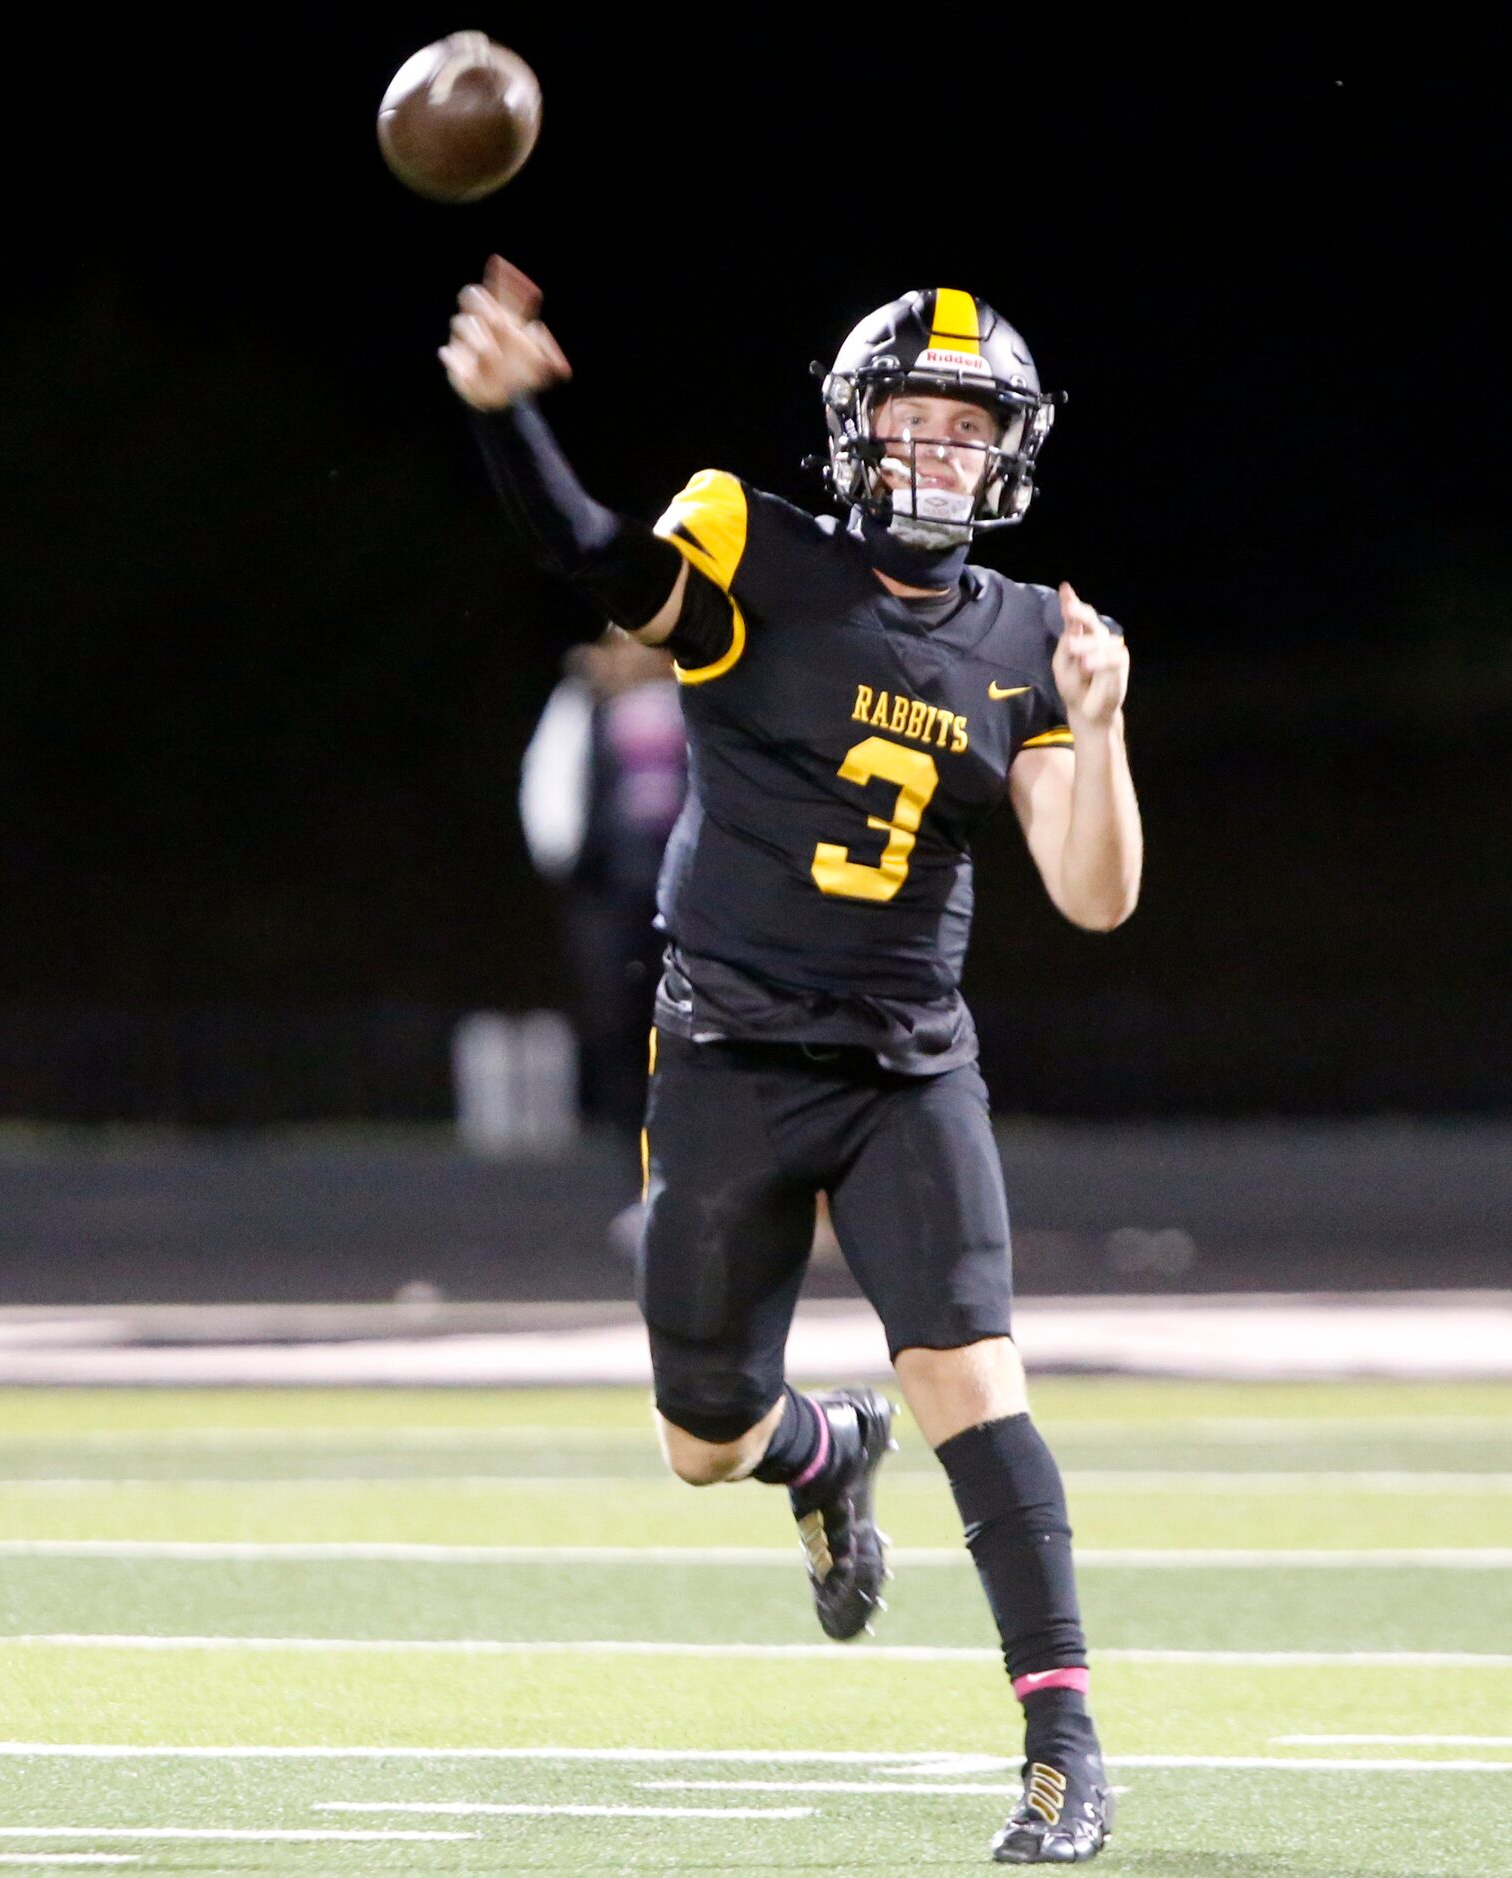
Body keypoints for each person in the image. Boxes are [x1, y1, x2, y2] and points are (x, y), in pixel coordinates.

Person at [443, 256, 1140, 1865]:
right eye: (913, 418)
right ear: (854, 430)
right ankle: (824, 1451)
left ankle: (1063, 1749)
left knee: (978, 1384)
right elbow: (599, 561)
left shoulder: (1036, 637)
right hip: (728, 1057)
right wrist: (512, 423)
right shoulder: (753, 544)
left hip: (908, 1068)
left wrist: (1098, 730)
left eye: (971, 430)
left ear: (1010, 454)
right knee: (703, 1436)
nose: (939, 455)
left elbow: (1094, 894)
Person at [519, 631, 686, 1171]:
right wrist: (564, 857)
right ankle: (639, 1173)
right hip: (613, 896)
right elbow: (550, 778)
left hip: (694, 897)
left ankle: (703, 1175)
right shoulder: (587, 700)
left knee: (702, 1032)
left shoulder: (703, 688)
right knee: (622, 1030)